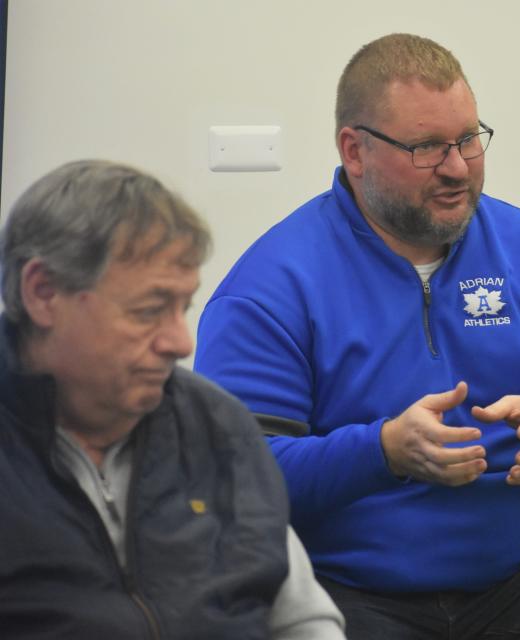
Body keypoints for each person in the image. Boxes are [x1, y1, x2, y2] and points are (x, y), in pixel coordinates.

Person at [194, 33, 520, 639]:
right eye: (426, 148)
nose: (457, 168)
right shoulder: (272, 286)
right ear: (354, 150)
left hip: (514, 587)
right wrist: (383, 451)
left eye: (469, 139)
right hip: (345, 596)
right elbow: (235, 484)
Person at [0, 160, 346, 639]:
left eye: (182, 308)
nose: (181, 343)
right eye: (148, 310)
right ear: (42, 293)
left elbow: (299, 617)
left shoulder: (217, 426)